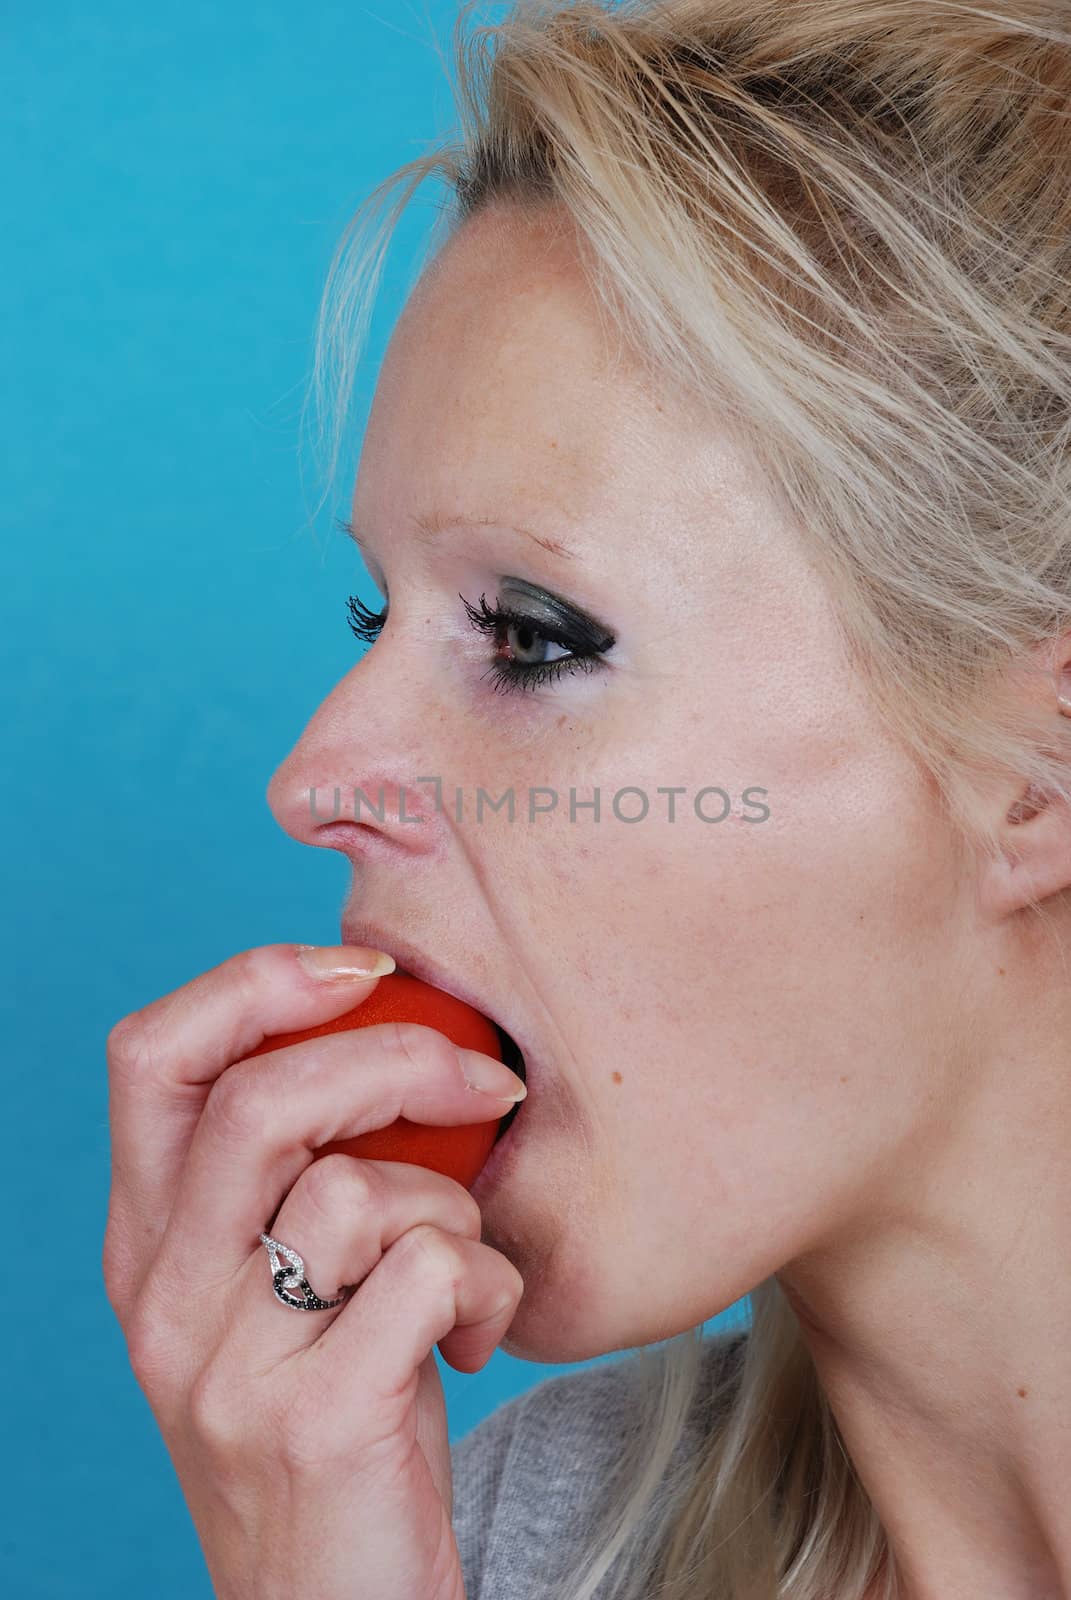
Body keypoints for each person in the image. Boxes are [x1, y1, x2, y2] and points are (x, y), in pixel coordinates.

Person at [103, 0, 1071, 1596]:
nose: (313, 780)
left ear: (1036, 781)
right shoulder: (490, 1541)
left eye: (532, 636)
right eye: (376, 619)